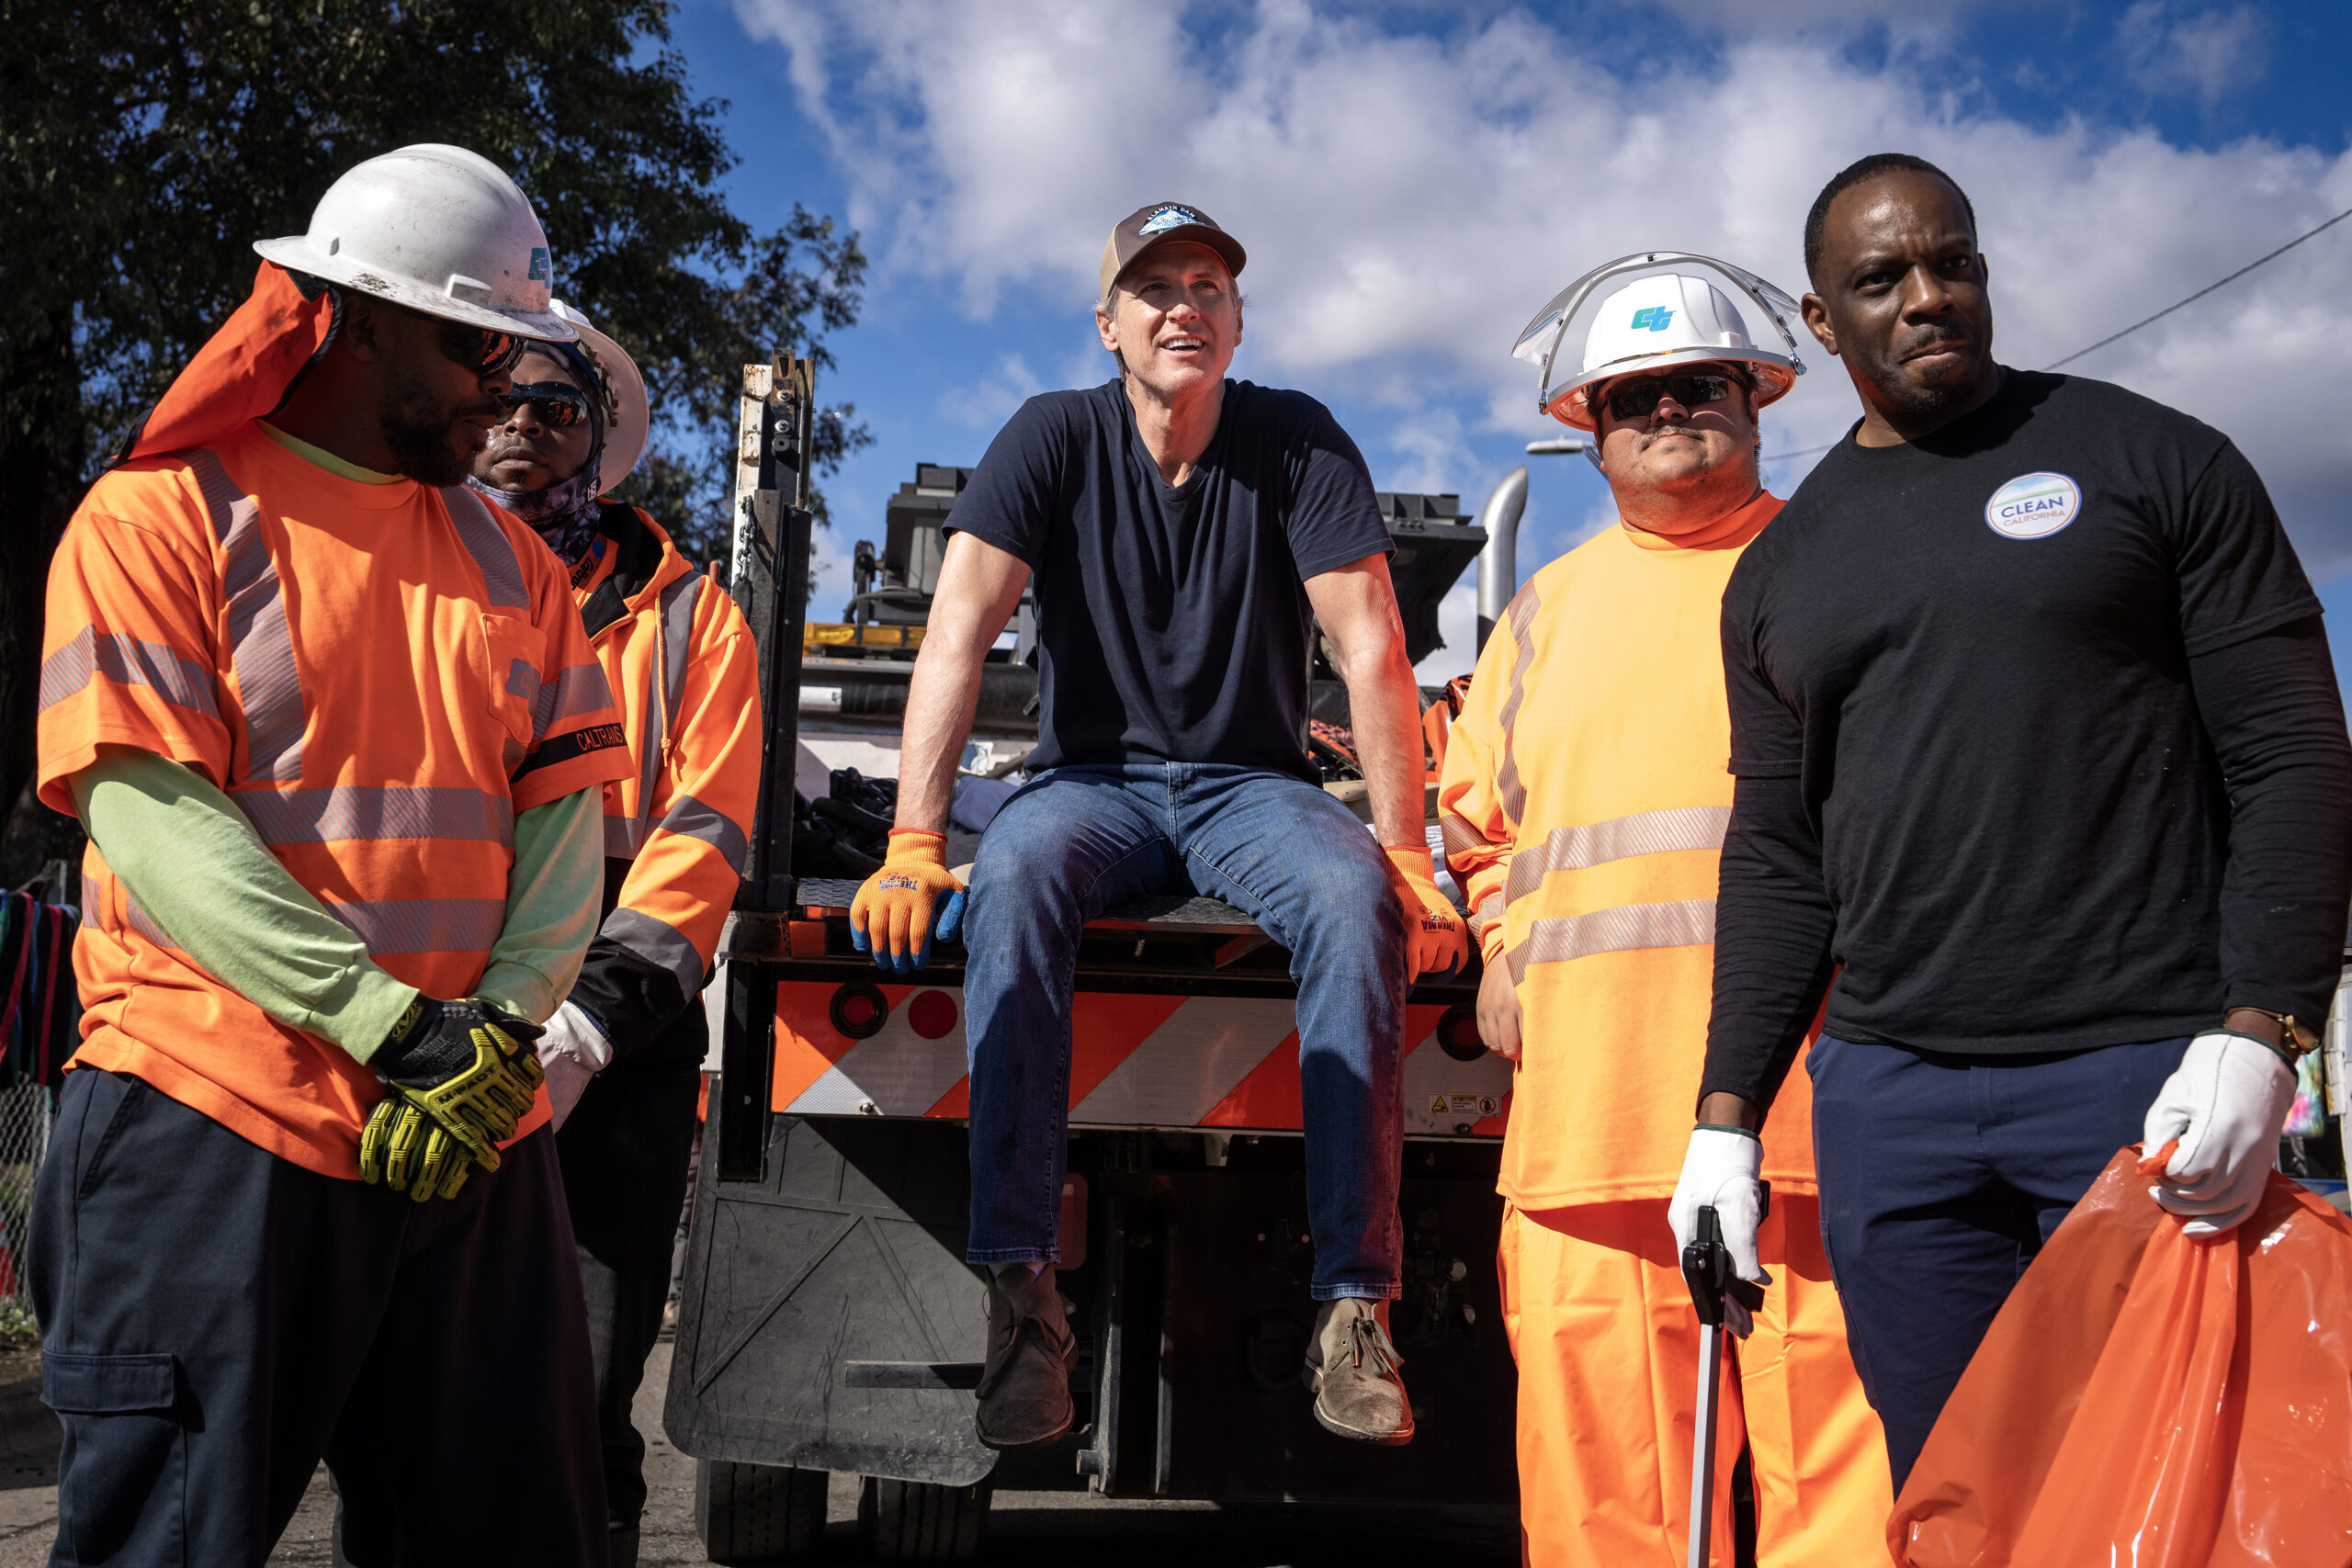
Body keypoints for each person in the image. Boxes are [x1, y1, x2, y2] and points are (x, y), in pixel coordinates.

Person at [1678, 152, 2352, 1490]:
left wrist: (2264, 1032)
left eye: (1955, 263)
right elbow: (1780, 855)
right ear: (1823, 321)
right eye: (1883, 279)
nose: (1929, 297)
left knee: (2168, 1493)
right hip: (1894, 1107)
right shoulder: (1779, 571)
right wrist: (1725, 1119)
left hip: (2145, 1083)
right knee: (1959, 1495)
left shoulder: (2156, 464)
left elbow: (2294, 754)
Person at [31, 144, 631, 1562]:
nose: (501, 379)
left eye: (515, 344)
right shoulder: (161, 515)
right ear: (350, 318)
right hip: (213, 1114)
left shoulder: (516, 565)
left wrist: (485, 1037)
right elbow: (148, 815)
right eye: (469, 338)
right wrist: (392, 1028)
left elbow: (562, 828)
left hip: (466, 1126)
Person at [848, 201, 1467, 1451]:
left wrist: (1408, 852)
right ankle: (1023, 1294)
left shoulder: (1295, 441)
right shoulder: (1051, 436)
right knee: (1012, 881)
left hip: (1254, 785)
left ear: (1238, 321)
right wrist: (915, 840)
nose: (1183, 304)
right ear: (1109, 323)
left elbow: (1368, 643)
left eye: (1208, 286)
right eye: (1155, 287)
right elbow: (958, 626)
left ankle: (1357, 1306)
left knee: (1354, 906)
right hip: (1092, 784)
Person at [1446, 265, 1892, 1565]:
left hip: (1818, 1132)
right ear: (1590, 428)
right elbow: (1478, 823)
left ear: (1757, 397)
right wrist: (1497, 944)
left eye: (1700, 384)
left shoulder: (1847, 570)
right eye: (1634, 395)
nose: (1668, 410)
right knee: (1607, 1518)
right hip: (1592, 1135)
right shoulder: (1542, 617)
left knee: (1856, 1514)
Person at [337, 307, 760, 1567]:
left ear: (598, 443)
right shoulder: (394, 566)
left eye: (558, 408)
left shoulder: (691, 620)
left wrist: (587, 1025)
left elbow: (707, 828)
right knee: (383, 1395)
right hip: (413, 1035)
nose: (527, 423)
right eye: (505, 397)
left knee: (573, 1395)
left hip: (605, 1059)